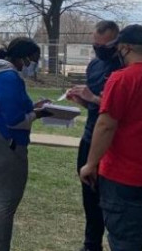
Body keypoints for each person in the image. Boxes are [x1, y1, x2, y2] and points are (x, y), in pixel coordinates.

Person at [0, 38, 48, 251]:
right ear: (24, 58)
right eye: (34, 60)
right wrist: (38, 114)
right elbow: (15, 119)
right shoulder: (10, 77)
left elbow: (1, 104)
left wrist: (33, 107)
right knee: (5, 203)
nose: (33, 65)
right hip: (1, 137)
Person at [79, 24, 142, 251]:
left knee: (126, 240)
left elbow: (106, 125)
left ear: (125, 48)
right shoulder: (101, 68)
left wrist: (91, 164)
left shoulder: (122, 79)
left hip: (124, 175)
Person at [66, 20, 121, 251]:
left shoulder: (123, 67)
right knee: (90, 195)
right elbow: (95, 106)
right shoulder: (95, 65)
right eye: (95, 45)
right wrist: (82, 100)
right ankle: (91, 245)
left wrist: (94, 98)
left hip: (115, 142)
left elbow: (118, 108)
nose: (99, 49)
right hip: (90, 137)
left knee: (115, 200)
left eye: (103, 45)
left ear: (116, 42)